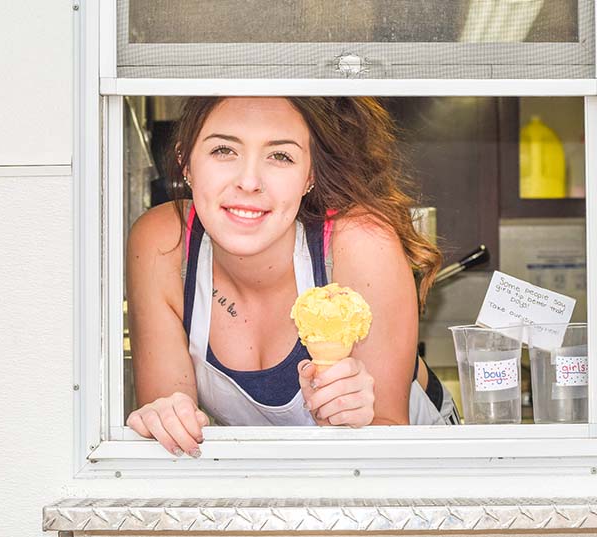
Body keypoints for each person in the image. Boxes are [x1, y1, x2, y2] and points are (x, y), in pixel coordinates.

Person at [125, 97, 459, 457]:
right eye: (223, 150)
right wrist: (166, 418)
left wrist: (355, 423)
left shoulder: (360, 244)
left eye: (280, 156)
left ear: (310, 175)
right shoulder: (163, 244)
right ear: (185, 162)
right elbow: (170, 432)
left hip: (413, 467)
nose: (249, 182)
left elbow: (387, 432)